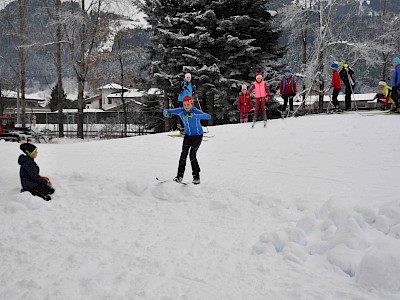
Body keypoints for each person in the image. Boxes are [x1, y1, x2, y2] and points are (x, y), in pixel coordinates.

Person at [163, 96, 211, 184]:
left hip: (197, 136)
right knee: (183, 155)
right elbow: (168, 111)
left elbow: (208, 116)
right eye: (184, 104)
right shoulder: (181, 110)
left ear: (192, 104)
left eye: (188, 104)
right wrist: (166, 112)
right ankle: (179, 176)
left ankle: (196, 177)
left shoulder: (195, 111)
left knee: (192, 154)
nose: (186, 106)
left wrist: (194, 115)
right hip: (187, 136)